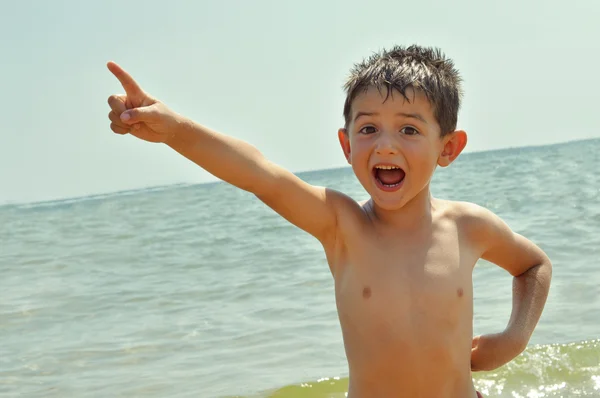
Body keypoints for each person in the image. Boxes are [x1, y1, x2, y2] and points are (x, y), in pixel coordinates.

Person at [106, 45, 552, 398]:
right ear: (346, 145)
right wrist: (174, 129)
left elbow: (534, 266)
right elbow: (263, 175)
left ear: (448, 148)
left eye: (410, 130)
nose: (385, 146)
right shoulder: (342, 226)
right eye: (368, 129)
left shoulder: (468, 227)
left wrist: (514, 337)